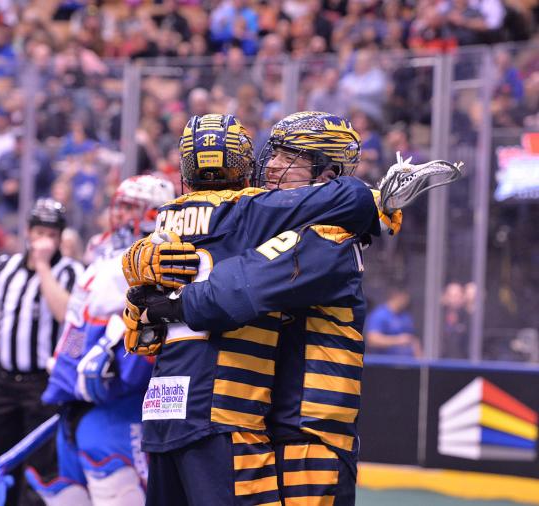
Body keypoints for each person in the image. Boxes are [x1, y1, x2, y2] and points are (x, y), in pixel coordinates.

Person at [123, 112, 405, 505]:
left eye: (289, 157)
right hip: (262, 423)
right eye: (272, 153)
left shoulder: (327, 238)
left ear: (327, 174)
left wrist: (160, 304)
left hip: (310, 435)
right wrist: (137, 264)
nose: (270, 164)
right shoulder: (257, 219)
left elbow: (230, 290)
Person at [27, 176, 176, 506]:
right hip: (75, 405)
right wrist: (68, 365)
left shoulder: (155, 264)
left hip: (116, 412)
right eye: (120, 206)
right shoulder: (105, 257)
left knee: (118, 494)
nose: (121, 214)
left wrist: (109, 372)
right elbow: (76, 326)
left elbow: (144, 342)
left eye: (131, 208)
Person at [0, 198, 84, 506]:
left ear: (60, 238)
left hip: (43, 385)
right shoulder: (4, 267)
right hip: (2, 381)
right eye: (39, 232)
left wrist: (43, 266)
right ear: (28, 233)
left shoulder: (71, 272)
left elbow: (65, 315)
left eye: (51, 234)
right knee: (1, 464)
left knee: (42, 470)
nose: (44, 240)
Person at [365, 285, 421, 357]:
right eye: (405, 297)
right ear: (396, 296)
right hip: (385, 364)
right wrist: (397, 340)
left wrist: (420, 362)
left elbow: (412, 340)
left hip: (408, 363)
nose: (408, 300)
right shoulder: (380, 314)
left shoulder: (405, 316)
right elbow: (372, 340)